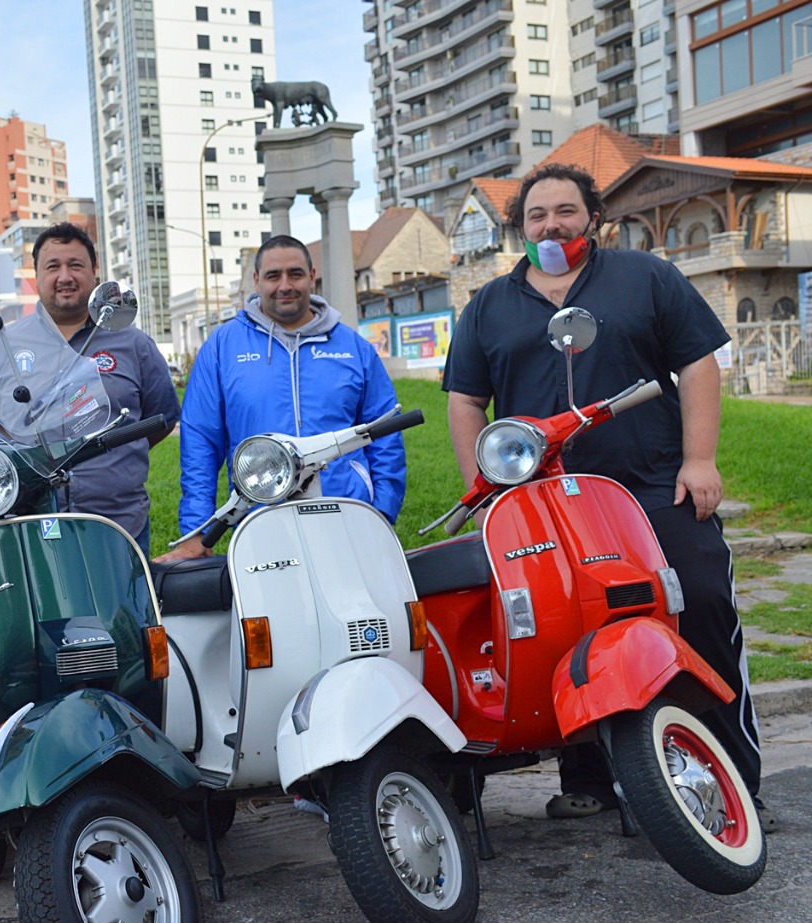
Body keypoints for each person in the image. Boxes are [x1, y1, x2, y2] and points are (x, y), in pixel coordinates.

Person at [442, 163, 769, 828]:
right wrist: (482, 489)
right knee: (563, 630)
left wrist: (699, 459)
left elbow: (700, 362)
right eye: (537, 215)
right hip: (543, 504)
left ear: (592, 216)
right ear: (520, 226)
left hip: (651, 486)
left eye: (565, 210)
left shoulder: (645, 278)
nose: (551, 224)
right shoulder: (489, 306)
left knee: (699, 607)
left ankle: (733, 778)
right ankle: (587, 776)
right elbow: (465, 401)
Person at [157, 234, 407, 562]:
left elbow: (385, 432)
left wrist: (382, 511)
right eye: (274, 276)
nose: (285, 285)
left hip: (348, 514)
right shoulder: (222, 348)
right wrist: (198, 532)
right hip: (262, 521)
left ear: (312, 276)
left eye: (295, 274)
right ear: (257, 280)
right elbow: (201, 444)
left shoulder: (352, 347)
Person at [0, 221, 180, 556]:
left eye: (76, 265)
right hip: (28, 528)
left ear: (94, 272)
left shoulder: (134, 343)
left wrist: (114, 458)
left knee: (125, 609)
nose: (65, 277)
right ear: (36, 276)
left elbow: (159, 420)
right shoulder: (0, 346)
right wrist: (18, 472)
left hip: (119, 525)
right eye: (52, 267)